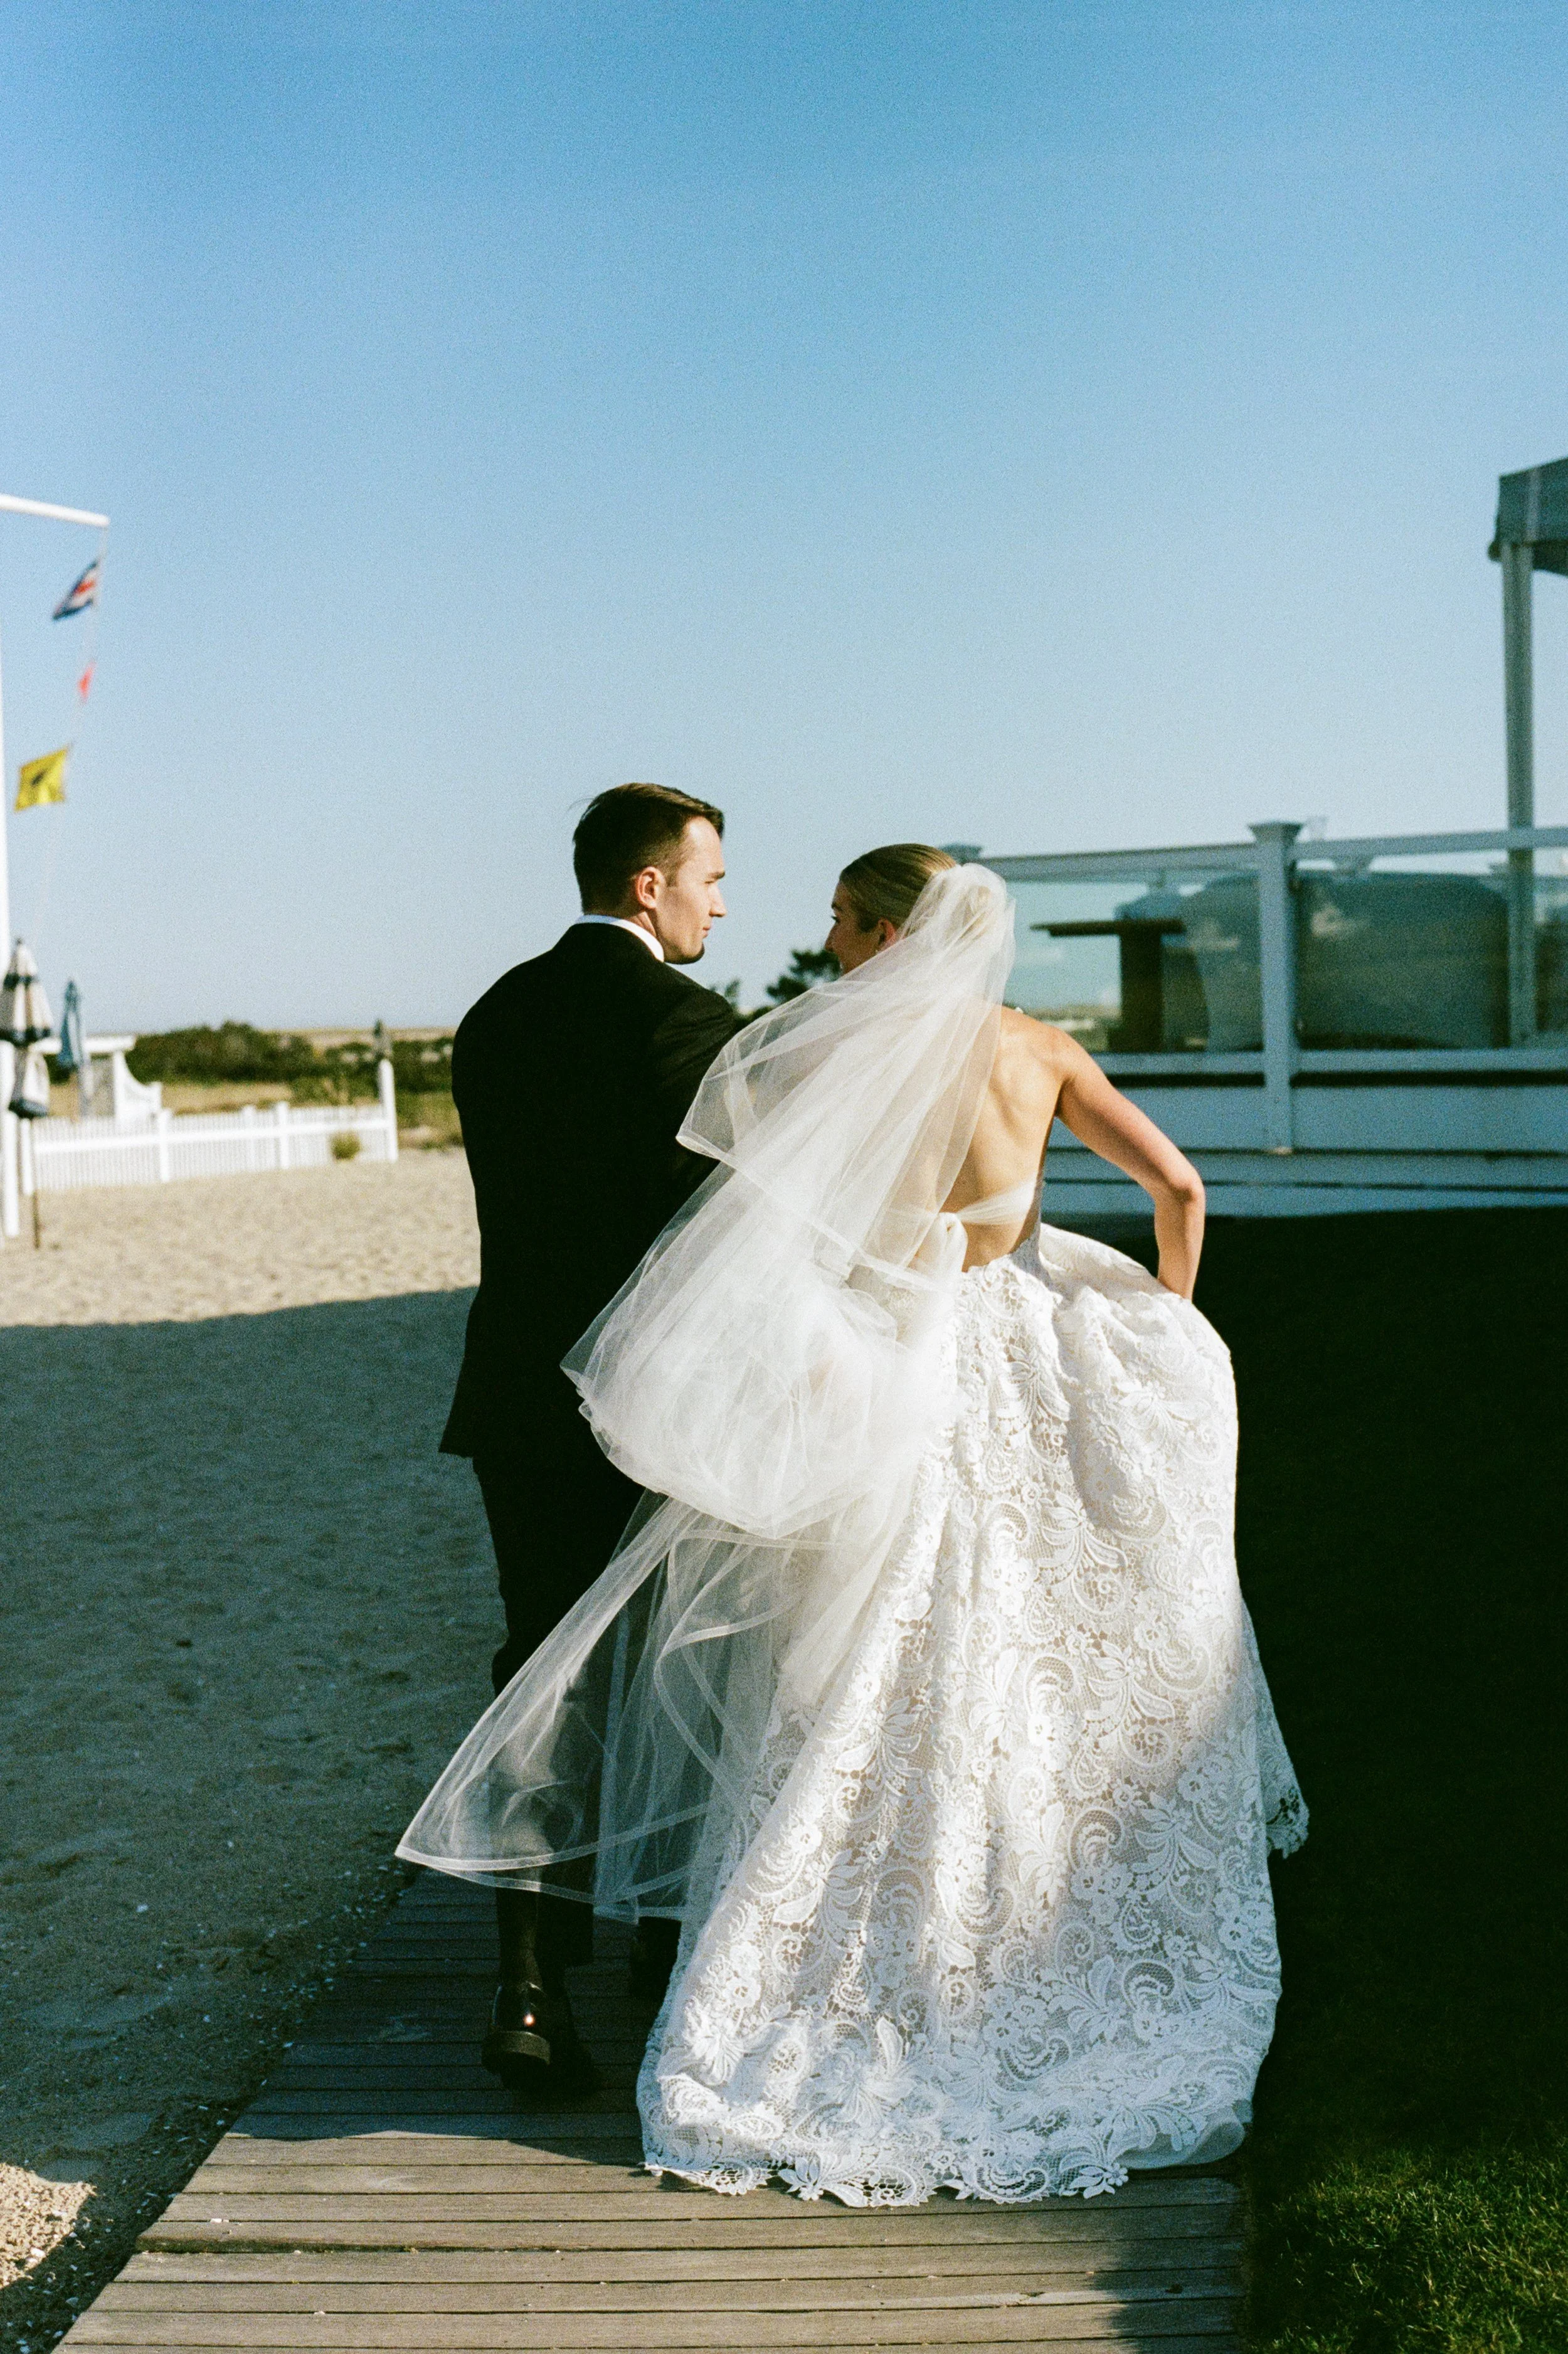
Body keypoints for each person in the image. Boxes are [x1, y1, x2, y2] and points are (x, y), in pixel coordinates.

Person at [405, 846, 1305, 2198]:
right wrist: (1166, 1321)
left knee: (844, 1658)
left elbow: (767, 1239)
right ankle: (1017, 1927)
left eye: (836, 918)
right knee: (1024, 1647)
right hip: (1025, 1357)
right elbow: (1177, 1189)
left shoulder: (801, 1055)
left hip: (888, 1369)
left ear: (888, 929)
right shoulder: (1040, 1048)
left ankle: (656, 1961)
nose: (813, 938)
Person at [439, 781, 743, 2092]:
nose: (720, 902)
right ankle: (668, 1934)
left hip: (515, 1391)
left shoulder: (492, 1014)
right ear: (646, 886)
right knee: (683, 1660)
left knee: (540, 1668)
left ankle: (523, 1984)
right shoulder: (686, 1022)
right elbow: (724, 1232)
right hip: (652, 1395)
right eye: (711, 878)